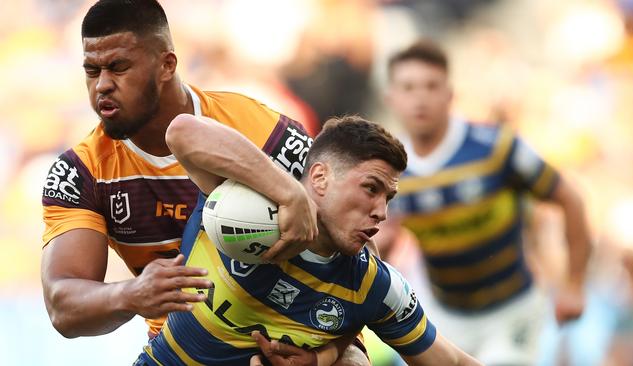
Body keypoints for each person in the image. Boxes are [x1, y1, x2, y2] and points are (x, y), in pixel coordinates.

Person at [40, 0, 367, 364]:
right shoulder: (81, 171)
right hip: (180, 352)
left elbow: (362, 249)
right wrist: (132, 293)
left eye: (118, 67)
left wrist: (330, 352)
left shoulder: (257, 128)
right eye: (91, 70)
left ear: (167, 65)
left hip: (285, 342)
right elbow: (62, 306)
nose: (102, 85)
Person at [135, 115, 482, 366]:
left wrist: (323, 358)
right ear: (319, 177)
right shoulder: (243, 203)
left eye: (388, 198)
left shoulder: (372, 284)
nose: (381, 213)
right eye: (371, 189)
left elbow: (451, 360)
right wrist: (289, 194)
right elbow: (181, 131)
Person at [378, 40, 593, 364]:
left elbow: (569, 198)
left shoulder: (497, 148)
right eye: (408, 87)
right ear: (391, 98)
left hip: (512, 310)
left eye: (431, 86)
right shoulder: (391, 170)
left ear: (450, 94)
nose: (419, 98)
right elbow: (384, 237)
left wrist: (574, 283)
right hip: (444, 315)